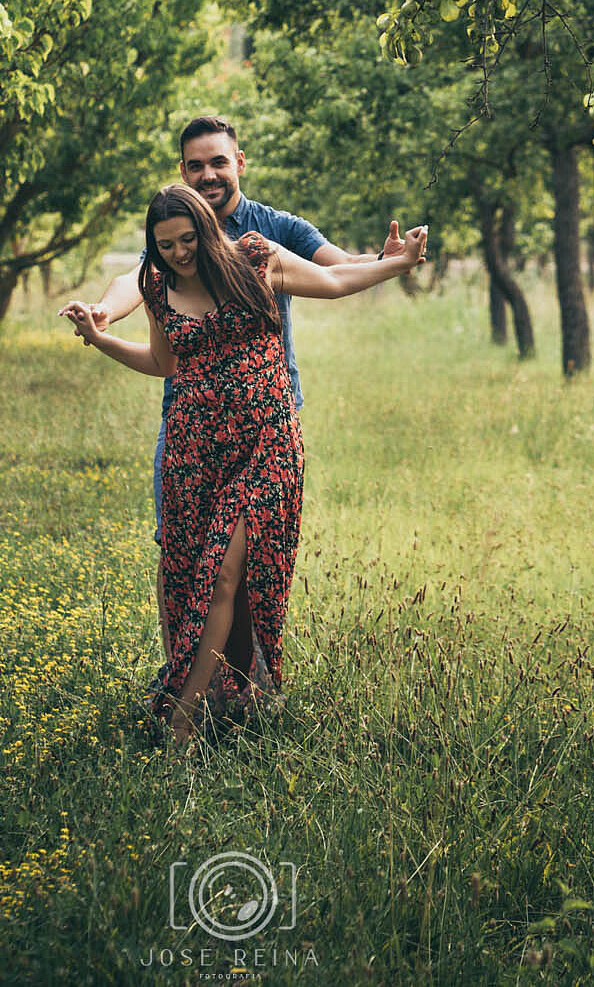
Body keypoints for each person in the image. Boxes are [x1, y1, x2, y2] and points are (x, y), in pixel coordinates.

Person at [62, 184, 427, 748]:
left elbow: (332, 282)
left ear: (206, 229)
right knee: (189, 576)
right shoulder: (157, 287)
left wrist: (394, 265)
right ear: (152, 247)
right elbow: (162, 362)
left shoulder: (256, 259)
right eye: (165, 245)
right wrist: (100, 337)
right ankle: (216, 700)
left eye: (187, 239)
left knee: (225, 573)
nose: (180, 253)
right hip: (194, 450)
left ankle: (181, 725)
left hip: (265, 442)